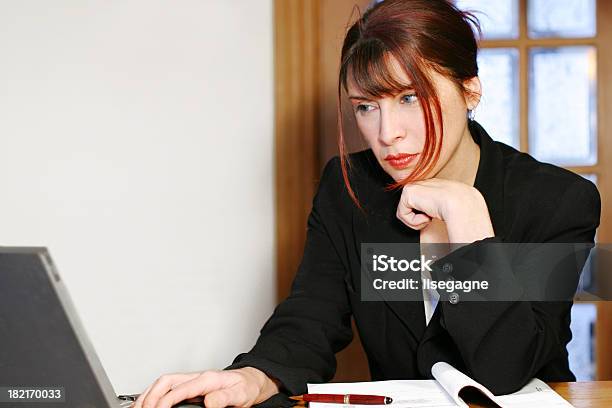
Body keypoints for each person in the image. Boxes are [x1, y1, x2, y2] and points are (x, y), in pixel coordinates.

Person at [133, 1, 601, 407]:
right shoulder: (348, 186)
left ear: (470, 90)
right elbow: (310, 318)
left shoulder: (557, 200)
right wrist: (254, 377)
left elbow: (507, 369)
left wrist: (469, 225)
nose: (386, 133)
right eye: (366, 106)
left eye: (409, 98)